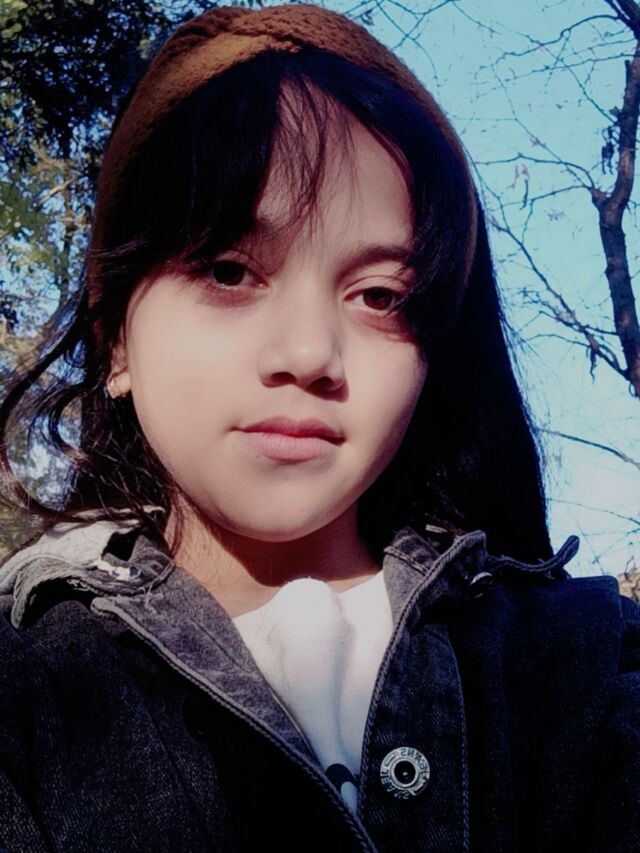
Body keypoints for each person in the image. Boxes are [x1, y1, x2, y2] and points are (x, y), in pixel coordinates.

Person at [0, 4, 637, 851]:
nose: (308, 353)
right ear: (116, 337)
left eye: (379, 295)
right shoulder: (24, 692)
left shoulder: (583, 667)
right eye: (230, 271)